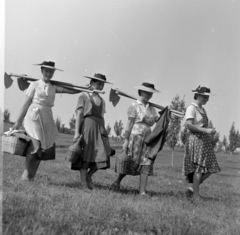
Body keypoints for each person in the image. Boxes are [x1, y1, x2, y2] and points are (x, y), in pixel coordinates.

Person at [12, 61, 80, 181]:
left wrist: (83, 89)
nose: (48, 73)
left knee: (42, 148)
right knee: (35, 144)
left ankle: (31, 176)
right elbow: (26, 103)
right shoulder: (34, 85)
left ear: (53, 72)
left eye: (51, 71)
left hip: (47, 118)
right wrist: (18, 121)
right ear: (42, 70)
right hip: (34, 116)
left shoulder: (54, 87)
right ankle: (26, 173)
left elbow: (71, 90)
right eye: (46, 71)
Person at [111, 82, 160, 196]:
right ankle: (117, 182)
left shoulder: (152, 109)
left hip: (148, 139)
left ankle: (142, 191)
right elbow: (129, 123)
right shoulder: (134, 106)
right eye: (146, 92)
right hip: (135, 137)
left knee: (146, 163)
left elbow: (158, 120)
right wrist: (126, 140)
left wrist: (166, 113)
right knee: (131, 163)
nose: (148, 94)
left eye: (150, 93)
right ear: (140, 92)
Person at [73, 73, 113, 190]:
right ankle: (83, 183)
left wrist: (104, 131)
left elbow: (102, 117)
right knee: (86, 156)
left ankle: (89, 176)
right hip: (87, 128)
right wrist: (76, 133)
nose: (100, 86)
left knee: (102, 155)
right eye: (98, 83)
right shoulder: (84, 96)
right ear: (91, 83)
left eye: (102, 84)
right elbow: (79, 115)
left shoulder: (102, 100)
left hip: (99, 129)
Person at [183, 86, 221, 199]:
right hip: (195, 140)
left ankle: (192, 189)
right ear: (198, 95)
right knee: (199, 168)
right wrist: (205, 130)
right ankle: (195, 195)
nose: (207, 99)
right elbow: (189, 125)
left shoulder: (202, 109)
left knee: (211, 168)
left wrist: (208, 131)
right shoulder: (191, 108)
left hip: (204, 141)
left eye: (207, 97)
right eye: (204, 97)